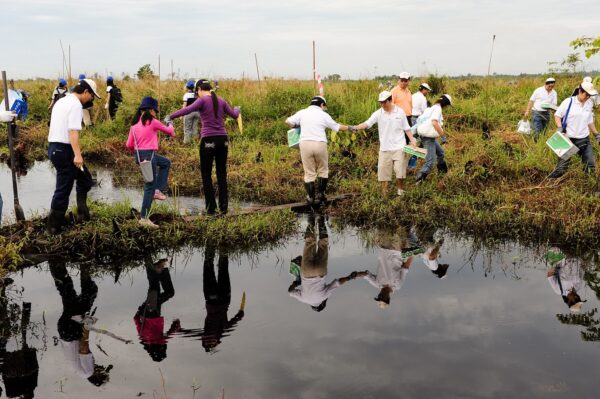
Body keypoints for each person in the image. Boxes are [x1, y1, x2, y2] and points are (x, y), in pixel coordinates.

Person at [166, 79, 240, 215]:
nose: (197, 94)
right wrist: (237, 109)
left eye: (197, 92)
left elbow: (186, 110)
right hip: (223, 140)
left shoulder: (202, 100)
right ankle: (224, 208)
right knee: (222, 174)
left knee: (206, 175)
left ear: (200, 89)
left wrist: (170, 116)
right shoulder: (221, 100)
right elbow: (235, 115)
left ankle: (211, 209)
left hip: (208, 141)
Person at [47, 79, 100, 234]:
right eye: (92, 96)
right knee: (63, 189)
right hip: (64, 150)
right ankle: (53, 228)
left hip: (56, 147)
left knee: (85, 179)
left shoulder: (62, 101)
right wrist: (78, 155)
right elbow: (72, 131)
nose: (91, 99)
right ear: (85, 92)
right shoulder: (76, 105)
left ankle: (82, 213)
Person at [49, 261, 112, 387]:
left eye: (102, 371)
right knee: (70, 297)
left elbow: (83, 347)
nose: (100, 367)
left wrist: (87, 326)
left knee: (87, 294)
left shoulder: (88, 371)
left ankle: (83, 263)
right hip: (65, 332)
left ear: (98, 375)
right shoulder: (81, 373)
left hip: (71, 333)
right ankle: (57, 262)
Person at [285, 96, 352, 205]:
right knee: (323, 170)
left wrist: (296, 125)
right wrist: (350, 127)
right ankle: (321, 195)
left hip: (305, 143)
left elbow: (288, 121)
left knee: (309, 172)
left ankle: (310, 198)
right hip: (320, 144)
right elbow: (337, 127)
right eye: (324, 106)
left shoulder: (302, 112)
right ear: (321, 105)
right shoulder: (324, 115)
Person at [179, 243, 244, 353]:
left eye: (207, 342)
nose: (210, 340)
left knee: (213, 268)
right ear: (217, 342)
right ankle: (219, 243)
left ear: (204, 341)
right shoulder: (223, 330)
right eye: (212, 343)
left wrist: (181, 331)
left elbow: (192, 334)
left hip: (215, 299)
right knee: (219, 268)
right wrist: (240, 314)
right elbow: (235, 320)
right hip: (220, 298)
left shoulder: (210, 333)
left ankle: (213, 243)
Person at [288, 214, 362, 311]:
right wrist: (296, 282)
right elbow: (290, 292)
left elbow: (337, 283)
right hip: (306, 274)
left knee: (323, 244)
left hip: (320, 272)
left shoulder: (323, 297)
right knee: (309, 243)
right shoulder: (304, 299)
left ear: (322, 304)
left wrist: (350, 277)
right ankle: (311, 219)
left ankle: (321, 219)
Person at [354, 90, 418, 195]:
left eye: (384, 102)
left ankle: (400, 191)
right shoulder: (378, 113)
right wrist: (356, 127)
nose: (382, 104)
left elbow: (406, 128)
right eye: (381, 102)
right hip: (385, 148)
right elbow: (367, 123)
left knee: (400, 172)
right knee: (383, 173)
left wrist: (412, 141)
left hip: (399, 147)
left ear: (390, 100)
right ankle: (385, 194)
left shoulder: (400, 112)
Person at [126, 96, 174, 228]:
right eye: (155, 111)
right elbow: (171, 132)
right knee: (149, 187)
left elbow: (129, 144)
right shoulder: (152, 121)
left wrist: (139, 152)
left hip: (140, 155)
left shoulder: (134, 125)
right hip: (149, 155)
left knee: (165, 163)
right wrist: (170, 123)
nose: (155, 113)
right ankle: (143, 218)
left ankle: (158, 190)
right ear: (152, 110)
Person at [548, 82, 598, 179]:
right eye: (586, 94)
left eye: (590, 95)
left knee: (590, 165)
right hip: (568, 139)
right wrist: (559, 127)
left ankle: (590, 186)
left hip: (584, 139)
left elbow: (589, 121)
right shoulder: (568, 102)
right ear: (580, 91)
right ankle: (548, 182)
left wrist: (596, 134)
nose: (588, 97)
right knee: (561, 169)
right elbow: (557, 115)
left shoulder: (589, 103)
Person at [134, 258, 179, 362]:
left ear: (160, 350)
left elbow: (171, 332)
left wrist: (176, 325)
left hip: (155, 311)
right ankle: (153, 264)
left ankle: (158, 267)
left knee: (168, 292)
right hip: (146, 309)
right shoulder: (143, 339)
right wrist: (141, 310)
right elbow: (135, 319)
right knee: (154, 287)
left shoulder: (159, 342)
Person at [363, 229, 418, 309]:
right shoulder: (398, 286)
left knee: (386, 227)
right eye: (382, 298)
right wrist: (412, 254)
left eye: (379, 297)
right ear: (388, 299)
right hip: (397, 251)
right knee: (400, 229)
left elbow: (366, 275)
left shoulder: (377, 283)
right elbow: (405, 268)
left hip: (384, 249)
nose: (380, 296)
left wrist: (353, 276)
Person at [415, 94, 453, 183]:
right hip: (428, 138)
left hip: (427, 137)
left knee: (440, 153)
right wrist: (443, 136)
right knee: (430, 162)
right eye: (447, 105)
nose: (447, 107)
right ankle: (418, 181)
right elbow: (434, 122)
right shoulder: (438, 109)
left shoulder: (431, 108)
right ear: (445, 103)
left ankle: (442, 174)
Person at [182, 80, 199, 144]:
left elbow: (184, 105)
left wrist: (181, 115)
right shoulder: (196, 94)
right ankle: (195, 142)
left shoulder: (186, 95)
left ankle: (187, 143)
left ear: (187, 87)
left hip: (188, 113)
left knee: (187, 129)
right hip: (197, 113)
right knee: (195, 128)